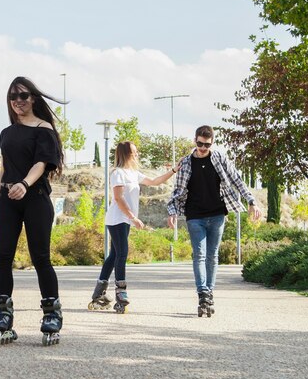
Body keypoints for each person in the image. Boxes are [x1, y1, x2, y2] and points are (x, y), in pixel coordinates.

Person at [0, 76, 64, 345]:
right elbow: (4, 169)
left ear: (33, 98)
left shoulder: (44, 130)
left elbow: (41, 164)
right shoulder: (7, 133)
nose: (18, 101)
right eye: (13, 97)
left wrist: (24, 184)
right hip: (8, 199)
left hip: (36, 198)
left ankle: (51, 314)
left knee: (40, 257)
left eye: (23, 96)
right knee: (2, 257)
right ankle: (3, 315)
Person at [166, 125, 261, 316]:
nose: (202, 148)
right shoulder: (185, 163)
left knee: (212, 255)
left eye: (206, 145)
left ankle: (209, 293)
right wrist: (172, 211)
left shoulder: (219, 158)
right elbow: (177, 191)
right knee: (199, 254)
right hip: (195, 216)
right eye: (200, 144)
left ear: (212, 143)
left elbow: (237, 180)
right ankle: (202, 293)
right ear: (195, 140)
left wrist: (252, 201)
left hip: (217, 214)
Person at [88, 142, 178, 313]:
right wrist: (133, 217)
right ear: (126, 154)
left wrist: (174, 170)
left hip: (125, 220)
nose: (137, 155)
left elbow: (154, 181)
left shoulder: (133, 173)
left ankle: (99, 293)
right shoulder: (118, 173)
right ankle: (121, 292)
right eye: (135, 152)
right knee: (122, 253)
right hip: (117, 219)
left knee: (114, 255)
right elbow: (119, 198)